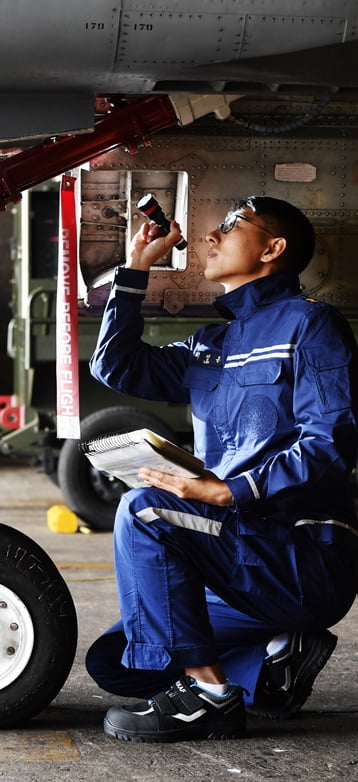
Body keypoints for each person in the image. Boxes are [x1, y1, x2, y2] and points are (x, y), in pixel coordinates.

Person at [85, 196, 358, 743]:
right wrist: (136, 269)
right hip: (237, 550)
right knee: (118, 664)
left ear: (272, 249)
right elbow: (114, 365)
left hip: (300, 553)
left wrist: (230, 492)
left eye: (232, 225)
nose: (211, 234)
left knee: (144, 511)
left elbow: (331, 442)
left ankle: (208, 695)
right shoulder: (210, 345)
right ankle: (277, 656)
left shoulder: (312, 325)